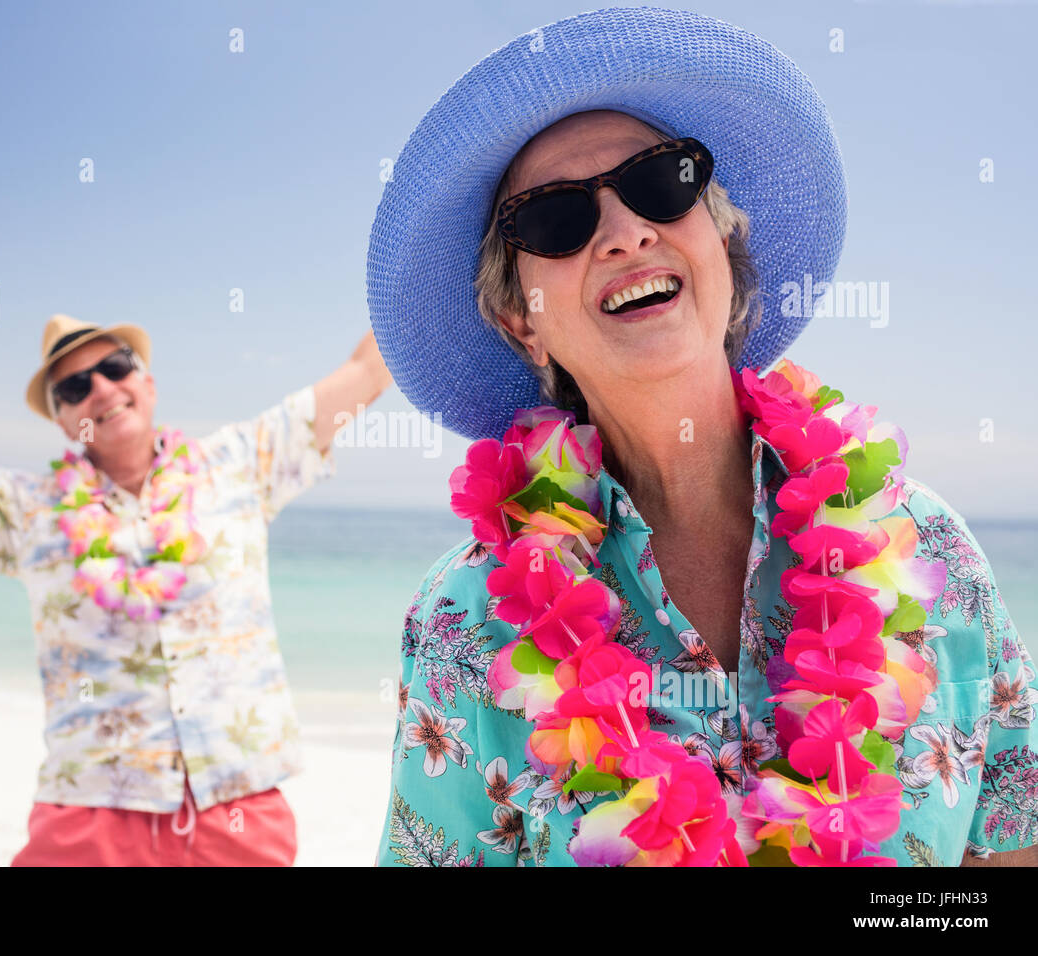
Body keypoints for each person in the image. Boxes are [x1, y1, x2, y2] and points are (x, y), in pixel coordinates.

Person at [368, 7, 1036, 866]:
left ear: (721, 235)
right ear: (520, 320)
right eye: (554, 221)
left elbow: (1007, 849)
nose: (626, 231)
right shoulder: (465, 621)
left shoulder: (924, 547)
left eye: (661, 183)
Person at [0, 312, 393, 866]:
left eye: (116, 366)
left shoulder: (242, 463)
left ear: (148, 380)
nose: (101, 388)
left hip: (238, 813)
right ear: (61, 421)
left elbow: (367, 371)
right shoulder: (26, 510)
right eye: (75, 386)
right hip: (90, 823)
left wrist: (445, 227)